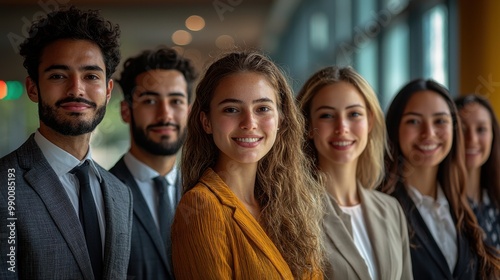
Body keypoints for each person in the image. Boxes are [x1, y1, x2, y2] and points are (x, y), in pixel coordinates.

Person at [0, 6, 132, 279]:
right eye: (58, 75)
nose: (76, 89)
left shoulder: (121, 193)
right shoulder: (4, 186)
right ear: (33, 88)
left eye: (91, 76)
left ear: (108, 91)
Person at [171, 51, 325, 279]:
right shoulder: (202, 206)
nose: (249, 123)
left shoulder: (286, 202)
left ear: (281, 119)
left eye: (262, 108)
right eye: (231, 109)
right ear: (206, 122)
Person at [296, 66, 412, 280]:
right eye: (327, 115)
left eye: (354, 114)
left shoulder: (390, 209)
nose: (342, 127)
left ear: (370, 121)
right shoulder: (292, 212)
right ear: (308, 125)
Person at [380, 79, 500, 279]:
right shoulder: (382, 208)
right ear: (395, 128)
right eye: (414, 121)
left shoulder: (462, 208)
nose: (429, 133)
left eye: (440, 121)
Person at [109, 46, 197, 279]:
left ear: (188, 111)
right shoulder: (100, 193)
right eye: (149, 101)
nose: (165, 114)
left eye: (176, 101)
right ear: (126, 111)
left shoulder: (202, 190)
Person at [455, 94, 500, 251]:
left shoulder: (494, 197)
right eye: (462, 129)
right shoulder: (441, 205)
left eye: (481, 129)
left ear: (493, 135)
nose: (472, 139)